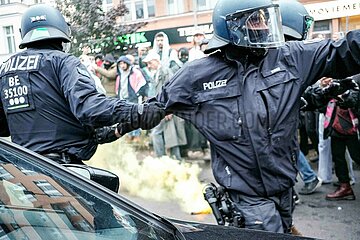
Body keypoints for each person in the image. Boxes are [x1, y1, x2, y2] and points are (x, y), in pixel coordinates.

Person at [117, 0, 360, 234]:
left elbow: (343, 50)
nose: (264, 26)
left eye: (266, 19)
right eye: (256, 20)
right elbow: (151, 109)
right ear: (233, 26)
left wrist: (329, 90)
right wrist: (108, 129)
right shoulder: (197, 75)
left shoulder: (290, 57)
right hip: (248, 200)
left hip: (284, 191)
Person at [0, 4, 165, 164]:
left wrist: (117, 129)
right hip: (61, 170)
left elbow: (4, 127)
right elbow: (89, 107)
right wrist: (138, 111)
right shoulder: (62, 62)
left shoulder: (5, 70)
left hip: (24, 171)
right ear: (61, 30)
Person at [142, 50, 187, 160]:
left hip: (167, 109)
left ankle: (164, 159)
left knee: (165, 134)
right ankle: (171, 159)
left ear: (156, 61)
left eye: (150, 62)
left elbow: (172, 90)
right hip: (163, 109)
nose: (148, 65)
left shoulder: (165, 71)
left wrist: (169, 109)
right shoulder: (158, 72)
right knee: (169, 135)